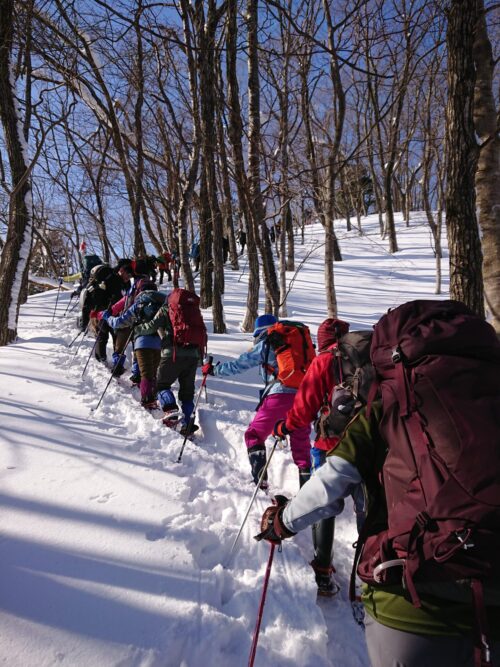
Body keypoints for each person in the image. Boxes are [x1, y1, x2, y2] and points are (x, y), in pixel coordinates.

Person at [256, 301, 500, 667]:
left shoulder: (382, 398)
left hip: (412, 601)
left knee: (356, 514)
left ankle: (326, 570)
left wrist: (281, 522)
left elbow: (327, 484)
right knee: (366, 509)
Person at [272, 318, 365, 596]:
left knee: (323, 502)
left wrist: (284, 427)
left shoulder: (324, 360)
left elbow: (303, 408)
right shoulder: (368, 359)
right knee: (368, 513)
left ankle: (322, 570)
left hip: (330, 445)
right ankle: (373, 579)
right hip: (370, 445)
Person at [202, 314, 311, 489]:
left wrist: (214, 370)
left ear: (259, 333)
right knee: (302, 448)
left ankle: (261, 484)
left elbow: (238, 365)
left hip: (278, 396)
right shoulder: (297, 345)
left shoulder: (267, 343)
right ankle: (308, 494)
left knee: (253, 435)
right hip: (303, 400)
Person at [141, 290, 207, 436]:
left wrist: (138, 329)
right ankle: (188, 422)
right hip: (193, 355)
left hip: (173, 353)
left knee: (161, 385)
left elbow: (152, 326)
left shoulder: (167, 308)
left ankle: (170, 410)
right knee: (187, 392)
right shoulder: (193, 311)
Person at [102, 283, 163, 408]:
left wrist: (107, 317)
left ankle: (147, 399)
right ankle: (153, 396)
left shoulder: (139, 305)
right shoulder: (163, 305)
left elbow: (119, 322)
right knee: (153, 372)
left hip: (142, 343)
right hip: (159, 343)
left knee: (145, 373)